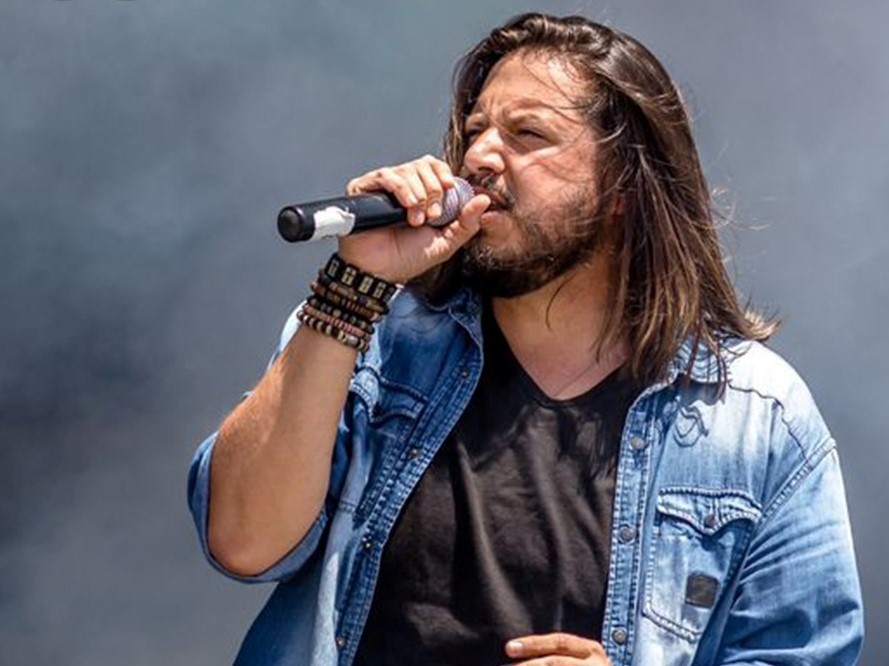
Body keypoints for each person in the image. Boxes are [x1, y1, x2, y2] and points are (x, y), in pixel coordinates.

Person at [187, 12, 863, 666]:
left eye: (527, 134)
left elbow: (803, 654)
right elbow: (242, 542)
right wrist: (351, 285)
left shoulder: (755, 415)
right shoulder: (366, 338)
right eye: (474, 131)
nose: (479, 157)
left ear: (625, 186)